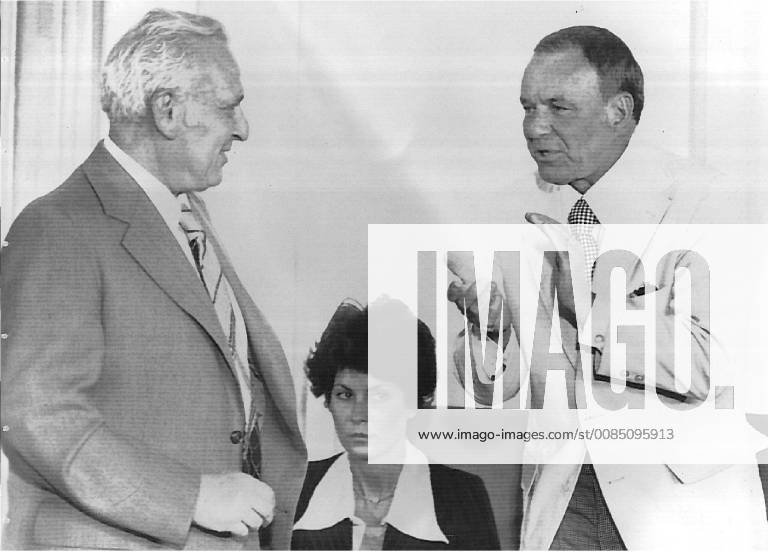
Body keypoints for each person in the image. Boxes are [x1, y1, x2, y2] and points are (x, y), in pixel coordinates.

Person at [449, 25, 768, 550]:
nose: (534, 127)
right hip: (561, 504)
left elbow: (714, 365)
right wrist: (487, 328)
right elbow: (491, 391)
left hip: (676, 510)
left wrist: (590, 316)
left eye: (558, 107)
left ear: (618, 111)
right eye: (527, 107)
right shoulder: (515, 215)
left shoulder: (709, 203)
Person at [1, 9, 306, 550]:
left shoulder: (184, 214)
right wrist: (193, 496)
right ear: (167, 111)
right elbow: (37, 412)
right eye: (228, 106)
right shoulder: (59, 228)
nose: (242, 127)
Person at [291, 300, 500, 550]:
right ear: (328, 401)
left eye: (379, 396)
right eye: (345, 395)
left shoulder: (463, 496)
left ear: (413, 403)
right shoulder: (297, 489)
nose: (360, 414)